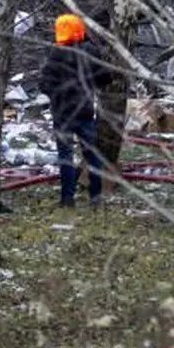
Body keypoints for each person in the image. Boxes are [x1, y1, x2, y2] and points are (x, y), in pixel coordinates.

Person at [39, 13, 109, 208]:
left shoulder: (55, 54)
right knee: (92, 155)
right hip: (85, 111)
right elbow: (105, 78)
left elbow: (43, 84)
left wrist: (56, 93)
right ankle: (95, 197)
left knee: (65, 156)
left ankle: (67, 198)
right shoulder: (91, 52)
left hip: (62, 113)